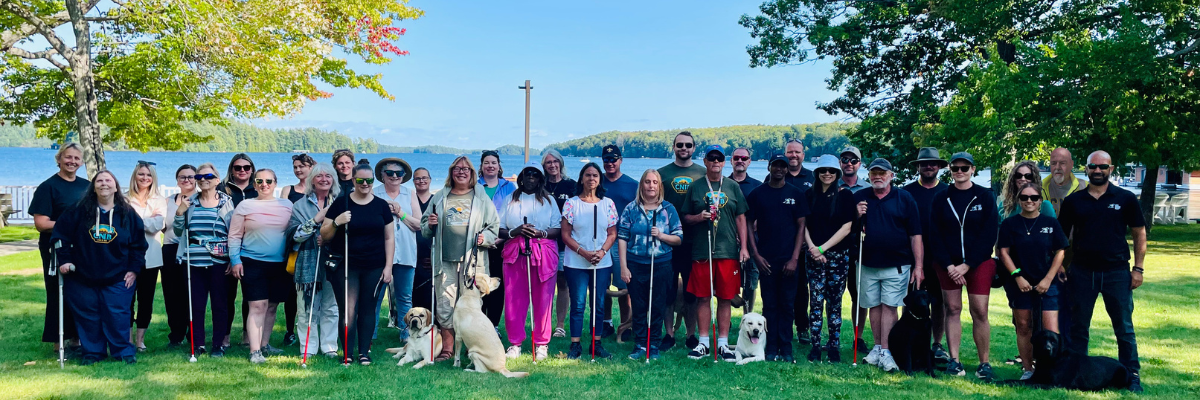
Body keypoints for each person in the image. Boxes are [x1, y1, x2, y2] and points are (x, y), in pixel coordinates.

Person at [1058, 151, 1146, 393]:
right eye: (1093, 166)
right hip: (1082, 272)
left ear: (1111, 168)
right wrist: (1061, 267)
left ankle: (1132, 374)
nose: (1097, 171)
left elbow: (1139, 233)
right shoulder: (1073, 201)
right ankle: (1076, 374)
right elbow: (1061, 238)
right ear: (1086, 169)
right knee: (1078, 327)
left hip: (1117, 272)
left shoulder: (1126, 198)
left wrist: (1138, 269)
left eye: (1102, 167)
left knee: (1124, 327)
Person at [51, 170, 149, 365]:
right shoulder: (78, 211)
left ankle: (123, 353)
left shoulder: (127, 214)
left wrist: (133, 269)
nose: (104, 184)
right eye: (100, 180)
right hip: (82, 276)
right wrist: (64, 260)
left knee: (118, 315)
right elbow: (60, 237)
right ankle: (93, 353)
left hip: (118, 277)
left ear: (115, 186)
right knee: (88, 316)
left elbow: (138, 245)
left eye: (108, 180)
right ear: (93, 186)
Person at [421, 156, 500, 362]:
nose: (461, 172)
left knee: (471, 305)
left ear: (473, 173)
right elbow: (424, 227)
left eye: (466, 168)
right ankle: (448, 348)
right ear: (451, 172)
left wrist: (486, 238)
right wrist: (429, 224)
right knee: (445, 304)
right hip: (444, 260)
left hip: (472, 261)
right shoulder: (439, 197)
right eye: (457, 168)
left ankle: (469, 346)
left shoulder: (481, 197)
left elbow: (494, 226)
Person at [929, 152, 999, 380]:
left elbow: (989, 234)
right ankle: (954, 360)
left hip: (978, 263)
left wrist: (967, 265)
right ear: (950, 170)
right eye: (955, 168)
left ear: (973, 169)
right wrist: (950, 265)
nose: (960, 172)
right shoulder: (941, 197)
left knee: (979, 310)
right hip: (947, 264)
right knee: (952, 309)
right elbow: (935, 234)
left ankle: (984, 362)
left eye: (964, 168)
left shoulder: (984, 196)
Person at [320, 160, 395, 365]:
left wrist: (388, 267)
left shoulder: (381, 206)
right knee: (348, 310)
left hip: (374, 265)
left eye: (369, 180)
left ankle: (363, 352)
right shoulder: (341, 203)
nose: (365, 184)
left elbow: (389, 238)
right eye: (360, 180)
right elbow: (324, 234)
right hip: (346, 265)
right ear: (353, 180)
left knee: (368, 308)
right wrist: (337, 222)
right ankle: (347, 353)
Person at [854, 158, 924, 372]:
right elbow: (851, 230)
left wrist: (918, 266)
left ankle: (887, 350)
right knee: (873, 306)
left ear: (891, 176)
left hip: (897, 264)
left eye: (882, 173)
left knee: (889, 306)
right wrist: (857, 215)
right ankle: (877, 347)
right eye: (874, 173)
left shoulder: (904, 198)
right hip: (868, 263)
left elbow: (915, 234)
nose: (878, 176)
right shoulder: (860, 198)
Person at [682, 145, 750, 362]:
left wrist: (745, 248)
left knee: (725, 298)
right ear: (705, 161)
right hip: (703, 250)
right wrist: (699, 217)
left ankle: (722, 343)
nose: (715, 162)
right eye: (711, 158)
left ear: (724, 162)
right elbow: (686, 218)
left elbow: (741, 218)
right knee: (703, 297)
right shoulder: (696, 187)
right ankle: (703, 342)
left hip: (727, 250)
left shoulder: (732, 186)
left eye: (719, 159)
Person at [998, 182, 1068, 381]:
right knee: (1023, 325)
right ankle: (1028, 369)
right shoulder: (1010, 224)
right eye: (1025, 197)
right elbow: (1003, 252)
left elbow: (1060, 251)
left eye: (1034, 198)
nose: (1029, 201)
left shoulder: (1050, 223)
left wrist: (1048, 279)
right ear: (1019, 200)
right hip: (1020, 282)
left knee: (1051, 330)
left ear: (1040, 201)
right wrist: (1017, 276)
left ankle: (1052, 370)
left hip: (1047, 283)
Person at [747, 154, 810, 363]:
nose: (779, 170)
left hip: (789, 260)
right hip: (766, 260)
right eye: (776, 166)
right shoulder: (757, 194)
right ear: (769, 167)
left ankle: (786, 346)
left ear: (786, 169)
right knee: (769, 305)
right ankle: (770, 345)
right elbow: (748, 224)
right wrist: (755, 255)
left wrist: (794, 258)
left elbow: (801, 226)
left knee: (787, 304)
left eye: (783, 166)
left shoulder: (796, 194)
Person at [229, 169, 294, 363]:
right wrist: (235, 260)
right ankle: (254, 351)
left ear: (275, 183)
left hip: (280, 264)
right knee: (257, 306)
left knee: (272, 306)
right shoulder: (245, 205)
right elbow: (234, 236)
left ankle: (265, 345)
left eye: (268, 181)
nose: (264, 184)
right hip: (252, 262)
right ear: (254, 184)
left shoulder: (287, 205)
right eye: (260, 181)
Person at [498, 162, 562, 360]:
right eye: (527, 174)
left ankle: (542, 343)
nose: (531, 177)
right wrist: (515, 231)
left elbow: (558, 229)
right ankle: (515, 342)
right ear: (521, 177)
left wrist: (540, 232)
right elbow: (499, 227)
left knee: (543, 297)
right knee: (514, 298)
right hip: (516, 252)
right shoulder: (510, 199)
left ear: (541, 178)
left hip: (543, 252)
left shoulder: (549, 201)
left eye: (535, 174)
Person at [617, 169, 683, 360]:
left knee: (657, 305)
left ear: (660, 186)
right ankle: (639, 344)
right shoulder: (631, 209)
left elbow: (679, 238)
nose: (651, 186)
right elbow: (622, 237)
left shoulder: (668, 209)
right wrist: (623, 266)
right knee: (638, 305)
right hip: (636, 264)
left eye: (655, 182)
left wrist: (661, 235)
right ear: (642, 185)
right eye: (647, 182)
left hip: (661, 264)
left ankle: (653, 343)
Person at [31, 143, 89, 354]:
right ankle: (58, 342)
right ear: (59, 159)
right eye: (68, 157)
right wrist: (68, 225)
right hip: (55, 247)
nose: (72, 161)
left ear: (81, 162)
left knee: (80, 292)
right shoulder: (48, 187)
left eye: (76, 158)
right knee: (58, 291)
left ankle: (77, 339)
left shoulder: (86, 186)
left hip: (81, 247)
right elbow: (41, 223)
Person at [174, 163, 236, 357]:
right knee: (196, 305)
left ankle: (218, 344)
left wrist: (231, 259)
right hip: (193, 261)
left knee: (220, 304)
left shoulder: (226, 203)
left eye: (208, 176)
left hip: (219, 261)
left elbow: (233, 233)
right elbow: (178, 231)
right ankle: (198, 344)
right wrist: (179, 212)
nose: (203, 180)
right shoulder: (190, 202)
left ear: (217, 180)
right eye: (199, 177)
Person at [560, 162, 619, 360]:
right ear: (582, 178)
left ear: (599, 179)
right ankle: (575, 344)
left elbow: (612, 233)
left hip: (602, 262)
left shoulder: (608, 204)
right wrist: (583, 252)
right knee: (578, 304)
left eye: (595, 175)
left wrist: (602, 252)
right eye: (588, 175)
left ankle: (597, 343)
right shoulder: (571, 203)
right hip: (576, 262)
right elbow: (565, 235)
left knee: (599, 303)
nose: (591, 178)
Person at [802, 155, 856, 363]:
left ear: (837, 174)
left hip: (838, 256)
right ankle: (815, 345)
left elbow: (847, 227)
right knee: (815, 301)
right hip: (813, 255)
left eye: (831, 171)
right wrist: (813, 248)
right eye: (823, 170)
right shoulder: (809, 195)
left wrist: (824, 248)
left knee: (834, 302)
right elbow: (803, 225)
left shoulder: (845, 196)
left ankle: (834, 345)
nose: (827, 174)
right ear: (817, 173)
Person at [656, 131, 706, 350]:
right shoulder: (662, 174)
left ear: (694, 148)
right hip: (667, 241)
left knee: (691, 291)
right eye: (679, 145)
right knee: (667, 291)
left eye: (688, 145)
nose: (684, 148)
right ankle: (668, 334)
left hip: (695, 242)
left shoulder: (703, 173)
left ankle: (691, 334)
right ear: (673, 147)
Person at [288, 162, 342, 359]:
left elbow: (348, 232)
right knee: (307, 307)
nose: (324, 179)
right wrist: (316, 220)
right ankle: (308, 347)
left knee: (331, 306)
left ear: (333, 180)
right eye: (319, 176)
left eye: (328, 176)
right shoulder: (300, 205)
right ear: (312, 180)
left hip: (335, 261)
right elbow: (294, 235)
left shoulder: (341, 202)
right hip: (308, 261)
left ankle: (329, 346)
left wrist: (329, 236)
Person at [901, 147, 950, 363]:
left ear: (939, 166)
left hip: (941, 257)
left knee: (939, 302)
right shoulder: (907, 192)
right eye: (924, 163)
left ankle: (937, 344)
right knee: (912, 301)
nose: (929, 166)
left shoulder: (948, 192)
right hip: (913, 258)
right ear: (918, 166)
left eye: (933, 163)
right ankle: (910, 341)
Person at [373, 158, 420, 342]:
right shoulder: (374, 193)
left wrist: (401, 213)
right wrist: (386, 210)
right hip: (379, 253)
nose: (394, 176)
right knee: (375, 297)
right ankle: (371, 334)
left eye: (398, 173)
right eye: (389, 173)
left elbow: (420, 224)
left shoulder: (410, 194)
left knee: (405, 297)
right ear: (382, 176)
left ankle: (406, 335)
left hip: (406, 252)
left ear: (403, 177)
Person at [127, 161, 167, 352]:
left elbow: (157, 225)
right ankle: (126, 338)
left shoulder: (159, 200)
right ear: (135, 176)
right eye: (141, 174)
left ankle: (140, 340)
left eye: (148, 175)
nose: (145, 178)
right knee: (127, 299)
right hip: (126, 257)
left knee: (146, 299)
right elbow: (122, 227)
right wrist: (146, 221)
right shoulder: (124, 199)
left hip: (151, 257)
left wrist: (135, 221)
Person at [600, 144, 639, 340]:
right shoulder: (596, 183)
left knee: (625, 285)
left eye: (613, 159)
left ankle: (627, 325)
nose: (610, 163)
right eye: (606, 160)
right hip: (600, 240)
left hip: (623, 242)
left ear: (620, 160)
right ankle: (606, 323)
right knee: (602, 285)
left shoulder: (633, 185)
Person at [219, 154, 257, 347]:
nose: (242, 171)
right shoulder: (222, 189)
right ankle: (225, 335)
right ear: (231, 169)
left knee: (250, 296)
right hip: (227, 249)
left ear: (252, 169)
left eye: (246, 167)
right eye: (237, 167)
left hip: (251, 249)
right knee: (227, 296)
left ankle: (246, 334)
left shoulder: (259, 189)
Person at [277, 153, 313, 346]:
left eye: (302, 166)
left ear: (311, 167)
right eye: (295, 167)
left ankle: (311, 330)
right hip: (294, 246)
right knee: (292, 291)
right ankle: (290, 330)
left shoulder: (317, 190)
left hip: (314, 246)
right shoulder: (288, 190)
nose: (298, 170)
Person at [161, 165, 197, 348]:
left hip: (192, 249)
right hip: (169, 248)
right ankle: (176, 334)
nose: (187, 180)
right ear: (177, 180)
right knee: (172, 294)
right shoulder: (167, 201)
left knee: (191, 293)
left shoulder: (200, 200)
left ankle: (193, 335)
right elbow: (161, 225)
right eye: (182, 177)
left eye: (191, 177)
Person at [479, 150, 516, 329]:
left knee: (497, 286)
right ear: (481, 166)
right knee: (479, 284)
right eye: (487, 162)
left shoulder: (509, 187)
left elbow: (513, 215)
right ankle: (479, 325)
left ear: (499, 166)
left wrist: (499, 239)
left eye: (494, 162)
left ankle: (493, 326)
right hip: (479, 245)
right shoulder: (475, 186)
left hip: (501, 245)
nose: (490, 166)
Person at [542, 150, 577, 339]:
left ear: (561, 163)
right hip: (544, 243)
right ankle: (543, 323)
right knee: (544, 284)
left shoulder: (571, 186)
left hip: (565, 244)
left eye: (555, 161)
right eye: (548, 162)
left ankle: (560, 325)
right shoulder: (539, 186)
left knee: (563, 284)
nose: (552, 165)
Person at [728, 148, 762, 314]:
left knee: (751, 283)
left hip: (752, 243)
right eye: (736, 157)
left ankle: (748, 317)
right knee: (727, 282)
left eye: (744, 158)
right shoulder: (723, 184)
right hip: (728, 243)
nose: (740, 160)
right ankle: (725, 321)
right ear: (731, 161)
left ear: (749, 161)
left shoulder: (757, 187)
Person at [411, 168, 435, 312]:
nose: (421, 181)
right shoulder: (409, 200)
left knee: (429, 295)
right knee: (411, 294)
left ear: (430, 180)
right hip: (412, 254)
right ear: (413, 182)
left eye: (424, 177)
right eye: (417, 178)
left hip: (429, 255)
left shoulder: (436, 201)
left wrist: (434, 257)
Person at [1043, 147, 1087, 215]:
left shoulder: (1085, 187)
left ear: (1071, 164)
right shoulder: (1039, 188)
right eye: (1053, 163)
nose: (1057, 167)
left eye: (1062, 163)